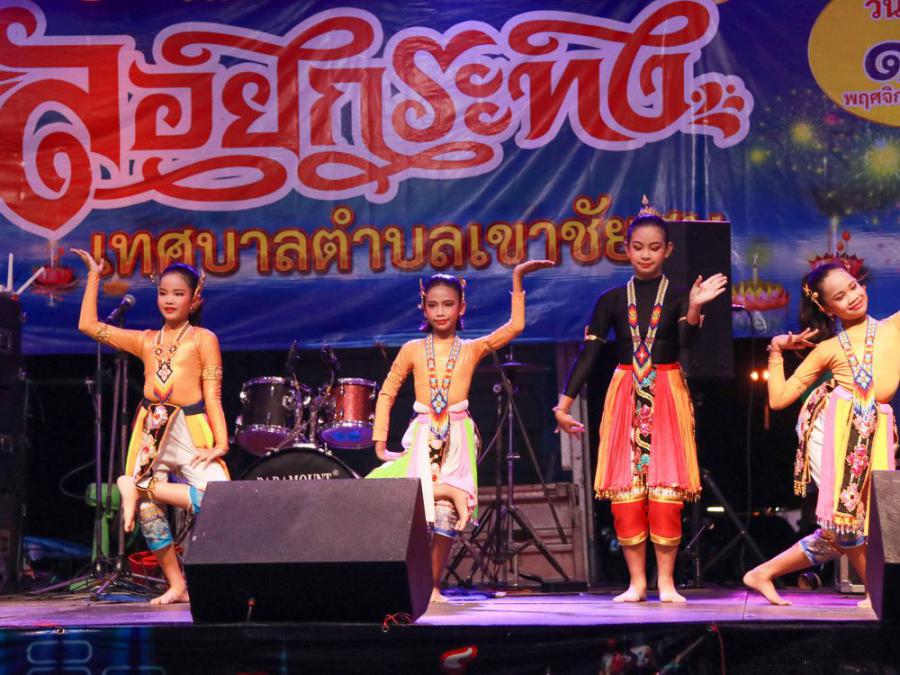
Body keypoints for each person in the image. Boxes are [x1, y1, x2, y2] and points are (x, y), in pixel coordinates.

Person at [553, 198, 727, 603]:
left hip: (666, 391)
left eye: (654, 247)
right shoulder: (611, 300)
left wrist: (695, 308)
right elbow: (590, 354)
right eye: (638, 247)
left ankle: (665, 582)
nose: (646, 254)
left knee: (666, 493)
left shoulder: (680, 295)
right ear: (626, 249)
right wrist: (563, 404)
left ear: (668, 250)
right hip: (625, 392)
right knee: (626, 492)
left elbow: (687, 342)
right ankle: (636, 583)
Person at [368, 260, 554, 603]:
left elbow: (515, 326)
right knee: (400, 499)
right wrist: (380, 442)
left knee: (444, 516)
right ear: (423, 307)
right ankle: (447, 502)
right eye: (433, 305)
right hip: (423, 435)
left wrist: (517, 278)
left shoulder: (470, 348)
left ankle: (432, 587)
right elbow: (387, 392)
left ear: (462, 307)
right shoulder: (412, 349)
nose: (440, 312)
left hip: (457, 437)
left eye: (448, 304)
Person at [73, 250, 230, 604]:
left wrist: (221, 443)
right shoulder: (145, 340)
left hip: (190, 428)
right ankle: (177, 584)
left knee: (219, 501)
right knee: (147, 511)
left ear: (194, 300)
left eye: (178, 293)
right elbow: (88, 326)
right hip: (152, 428)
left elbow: (213, 395)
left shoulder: (203, 338)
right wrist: (94, 277)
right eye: (163, 293)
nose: (169, 300)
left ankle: (137, 484)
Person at [743, 261, 899, 606]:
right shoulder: (828, 349)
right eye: (840, 297)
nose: (852, 297)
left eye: (853, 287)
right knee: (847, 522)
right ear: (828, 309)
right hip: (834, 431)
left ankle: (762, 573)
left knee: (850, 528)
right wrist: (775, 350)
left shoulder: (894, 327)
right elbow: (779, 398)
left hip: (875, 430)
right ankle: (879, 595)